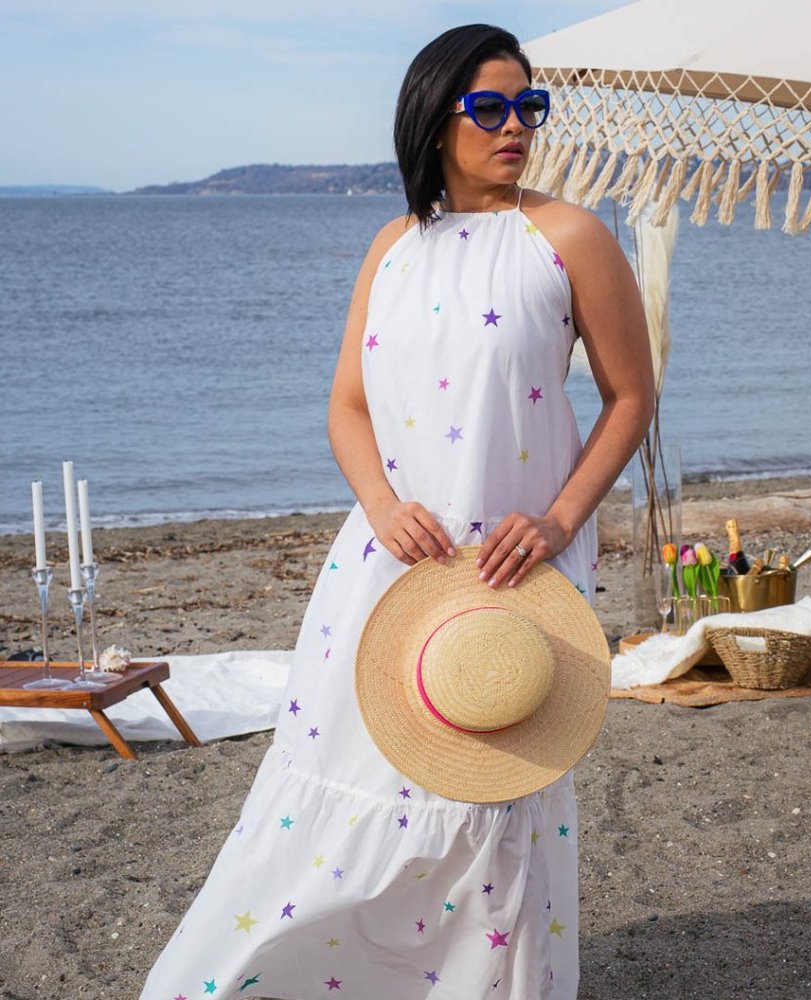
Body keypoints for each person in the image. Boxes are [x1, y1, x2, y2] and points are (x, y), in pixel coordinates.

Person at [140, 23, 653, 1000]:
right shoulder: (393, 247)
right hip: (386, 566)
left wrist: (555, 522)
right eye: (490, 108)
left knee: (496, 799)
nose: (517, 127)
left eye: (529, 107)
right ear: (433, 117)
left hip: (517, 571)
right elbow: (347, 405)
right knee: (343, 789)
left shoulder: (570, 237)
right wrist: (378, 502)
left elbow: (631, 397)